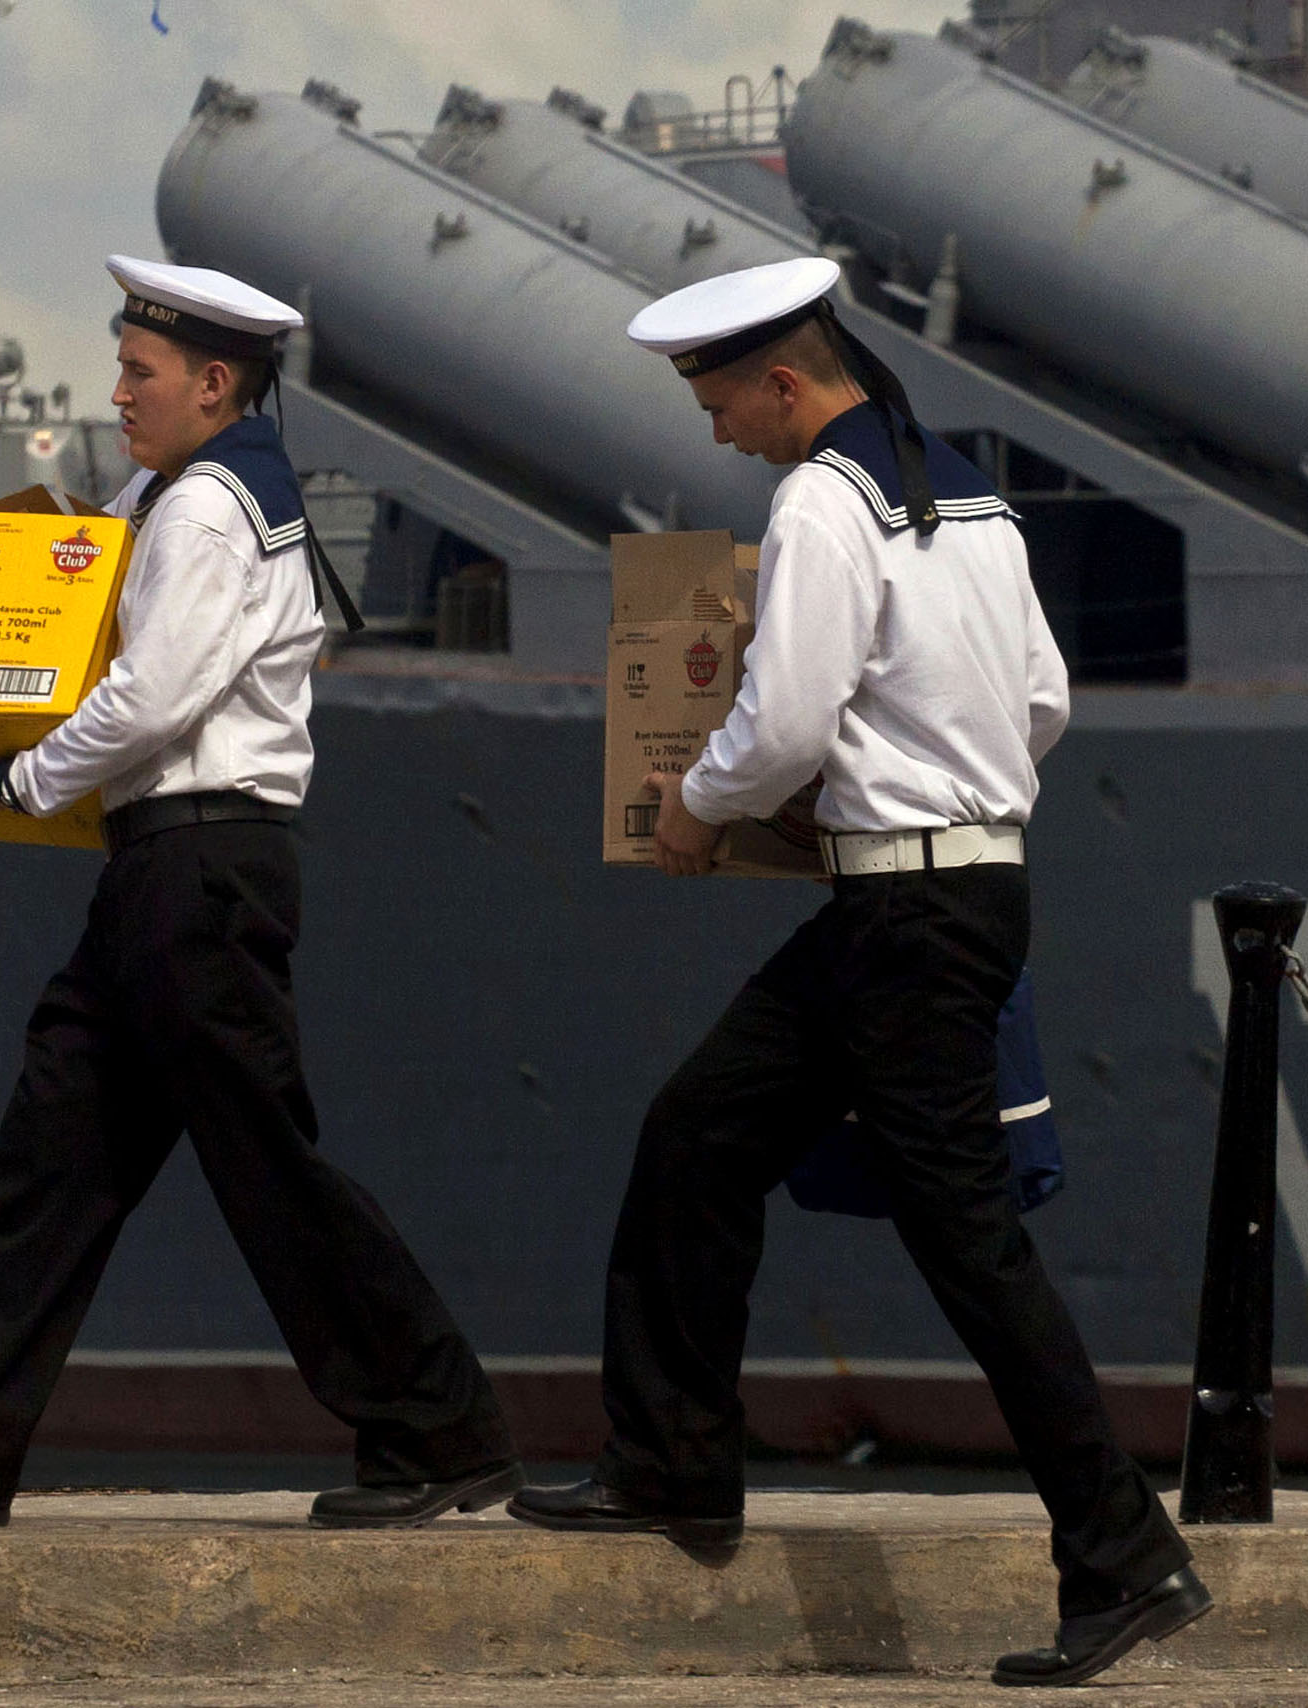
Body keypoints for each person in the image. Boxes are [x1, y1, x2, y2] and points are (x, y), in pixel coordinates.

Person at [510, 257, 1203, 1690]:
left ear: (783, 383)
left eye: (717, 404)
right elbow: (1042, 702)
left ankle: (1124, 1557)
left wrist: (695, 806)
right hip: (949, 897)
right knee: (696, 1137)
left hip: (902, 919)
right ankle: (670, 1467)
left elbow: (783, 719)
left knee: (966, 1246)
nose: (714, 434)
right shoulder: (970, 495)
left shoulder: (819, 504)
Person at [0, 258, 514, 1531]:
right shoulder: (187, 488)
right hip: (164, 873)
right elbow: (81, 553)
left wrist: (12, 777)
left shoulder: (204, 512)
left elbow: (155, 696)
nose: (118, 390)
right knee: (56, 1144)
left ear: (215, 382)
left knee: (266, 1165)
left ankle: (440, 1428)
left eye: (141, 373)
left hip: (199, 864)